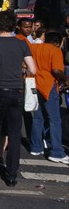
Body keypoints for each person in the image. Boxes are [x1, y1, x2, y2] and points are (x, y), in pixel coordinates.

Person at [0, 10, 36, 186]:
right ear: (14, 25)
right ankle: (12, 173)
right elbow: (33, 70)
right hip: (16, 91)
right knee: (14, 133)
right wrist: (20, 70)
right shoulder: (21, 44)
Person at [29, 31, 69, 164]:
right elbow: (57, 70)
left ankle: (36, 147)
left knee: (38, 117)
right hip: (49, 85)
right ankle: (56, 152)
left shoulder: (34, 47)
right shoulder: (55, 51)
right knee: (55, 119)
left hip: (34, 84)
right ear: (58, 42)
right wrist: (66, 79)